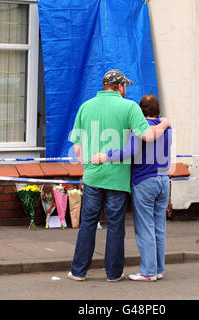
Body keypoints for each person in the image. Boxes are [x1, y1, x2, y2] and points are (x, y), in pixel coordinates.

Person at [68, 70, 170, 282]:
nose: (127, 90)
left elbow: (77, 148)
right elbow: (147, 136)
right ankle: (113, 273)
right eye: (125, 86)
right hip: (118, 179)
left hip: (93, 176)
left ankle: (78, 271)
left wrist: (87, 163)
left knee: (88, 223)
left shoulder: (85, 107)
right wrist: (164, 124)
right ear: (120, 86)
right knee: (115, 225)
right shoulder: (130, 107)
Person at [90, 94, 172, 282]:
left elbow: (129, 152)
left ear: (140, 111)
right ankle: (158, 269)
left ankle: (148, 272)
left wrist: (105, 155)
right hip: (163, 179)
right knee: (159, 226)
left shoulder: (139, 128)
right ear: (157, 109)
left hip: (144, 180)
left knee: (145, 228)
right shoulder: (167, 127)